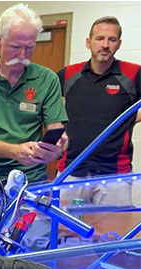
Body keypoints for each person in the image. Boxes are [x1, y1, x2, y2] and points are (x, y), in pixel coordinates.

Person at [0, 3, 67, 183]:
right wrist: (15, 151)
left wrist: (58, 146)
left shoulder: (47, 79)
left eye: (29, 47)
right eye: (15, 47)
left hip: (30, 179)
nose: (22, 54)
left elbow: (55, 128)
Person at [57, 16, 141, 206]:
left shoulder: (134, 74)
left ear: (119, 44)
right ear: (88, 42)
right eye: (99, 38)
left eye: (111, 40)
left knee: (111, 235)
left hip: (114, 175)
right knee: (64, 232)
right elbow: (49, 106)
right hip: (71, 171)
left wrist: (129, 119)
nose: (105, 45)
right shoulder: (69, 74)